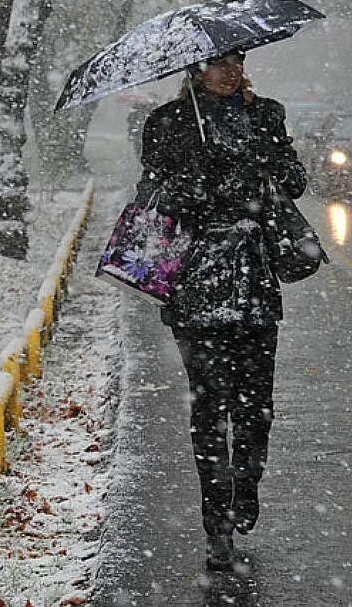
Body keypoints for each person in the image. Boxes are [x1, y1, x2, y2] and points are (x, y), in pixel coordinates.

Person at [136, 49, 307, 571]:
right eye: (219, 64)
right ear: (195, 70)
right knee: (209, 409)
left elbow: (295, 180)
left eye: (238, 62)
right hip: (196, 282)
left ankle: (245, 484)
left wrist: (262, 167)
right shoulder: (167, 123)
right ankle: (217, 522)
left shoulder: (266, 114)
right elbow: (153, 195)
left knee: (256, 406)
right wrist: (203, 185)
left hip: (253, 278)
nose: (231, 72)